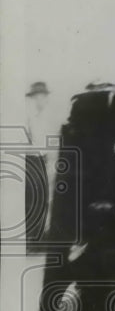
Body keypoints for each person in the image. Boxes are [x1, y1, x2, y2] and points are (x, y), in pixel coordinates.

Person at [24, 81, 55, 246]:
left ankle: (39, 236)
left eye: (42, 96)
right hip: (31, 160)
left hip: (43, 159)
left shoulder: (49, 117)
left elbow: (50, 142)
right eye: (37, 97)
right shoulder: (30, 117)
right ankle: (31, 237)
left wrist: (49, 162)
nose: (40, 100)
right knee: (31, 197)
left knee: (42, 198)